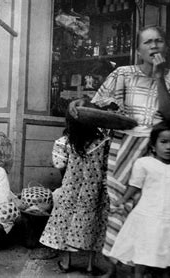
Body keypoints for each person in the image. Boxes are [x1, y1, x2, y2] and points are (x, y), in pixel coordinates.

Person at [68, 25, 170, 277]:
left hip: (163, 151)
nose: (154, 46)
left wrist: (159, 77)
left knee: (161, 210)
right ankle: (118, 268)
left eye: (159, 41)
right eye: (147, 42)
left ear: (166, 47)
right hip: (125, 148)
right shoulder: (123, 74)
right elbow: (98, 107)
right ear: (138, 50)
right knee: (122, 206)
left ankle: (156, 267)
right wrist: (79, 105)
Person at [109, 122, 170, 278]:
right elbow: (135, 186)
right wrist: (122, 200)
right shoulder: (144, 163)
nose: (169, 147)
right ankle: (138, 275)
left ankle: (164, 272)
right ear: (153, 145)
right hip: (148, 214)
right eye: (163, 142)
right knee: (143, 248)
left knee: (169, 247)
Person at [39, 111, 109, 274]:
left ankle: (66, 262)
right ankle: (90, 264)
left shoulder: (65, 142)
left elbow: (59, 164)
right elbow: (106, 166)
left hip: (71, 188)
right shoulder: (103, 142)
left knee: (66, 222)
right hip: (94, 190)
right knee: (94, 224)